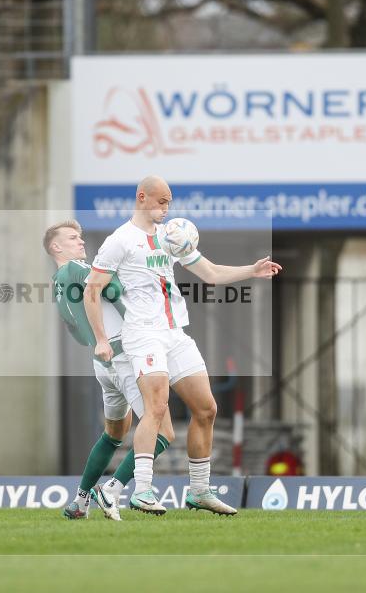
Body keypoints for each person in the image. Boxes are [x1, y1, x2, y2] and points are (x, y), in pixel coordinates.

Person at [84, 176, 281, 516]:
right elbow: (92, 290)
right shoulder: (120, 240)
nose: (165, 209)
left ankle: (200, 491)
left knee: (206, 408)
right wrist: (101, 338)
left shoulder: (172, 235)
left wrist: (253, 269)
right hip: (142, 333)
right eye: (161, 202)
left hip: (175, 333)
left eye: (169, 203)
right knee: (157, 406)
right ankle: (142, 491)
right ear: (142, 197)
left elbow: (211, 274)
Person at [45, 219, 174, 520]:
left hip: (102, 363)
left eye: (80, 236)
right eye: (73, 238)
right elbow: (113, 290)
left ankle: (79, 501)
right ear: (56, 246)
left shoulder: (57, 283)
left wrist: (96, 339)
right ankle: (112, 488)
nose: (81, 242)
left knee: (114, 433)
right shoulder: (78, 269)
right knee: (164, 430)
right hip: (125, 355)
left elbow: (75, 331)